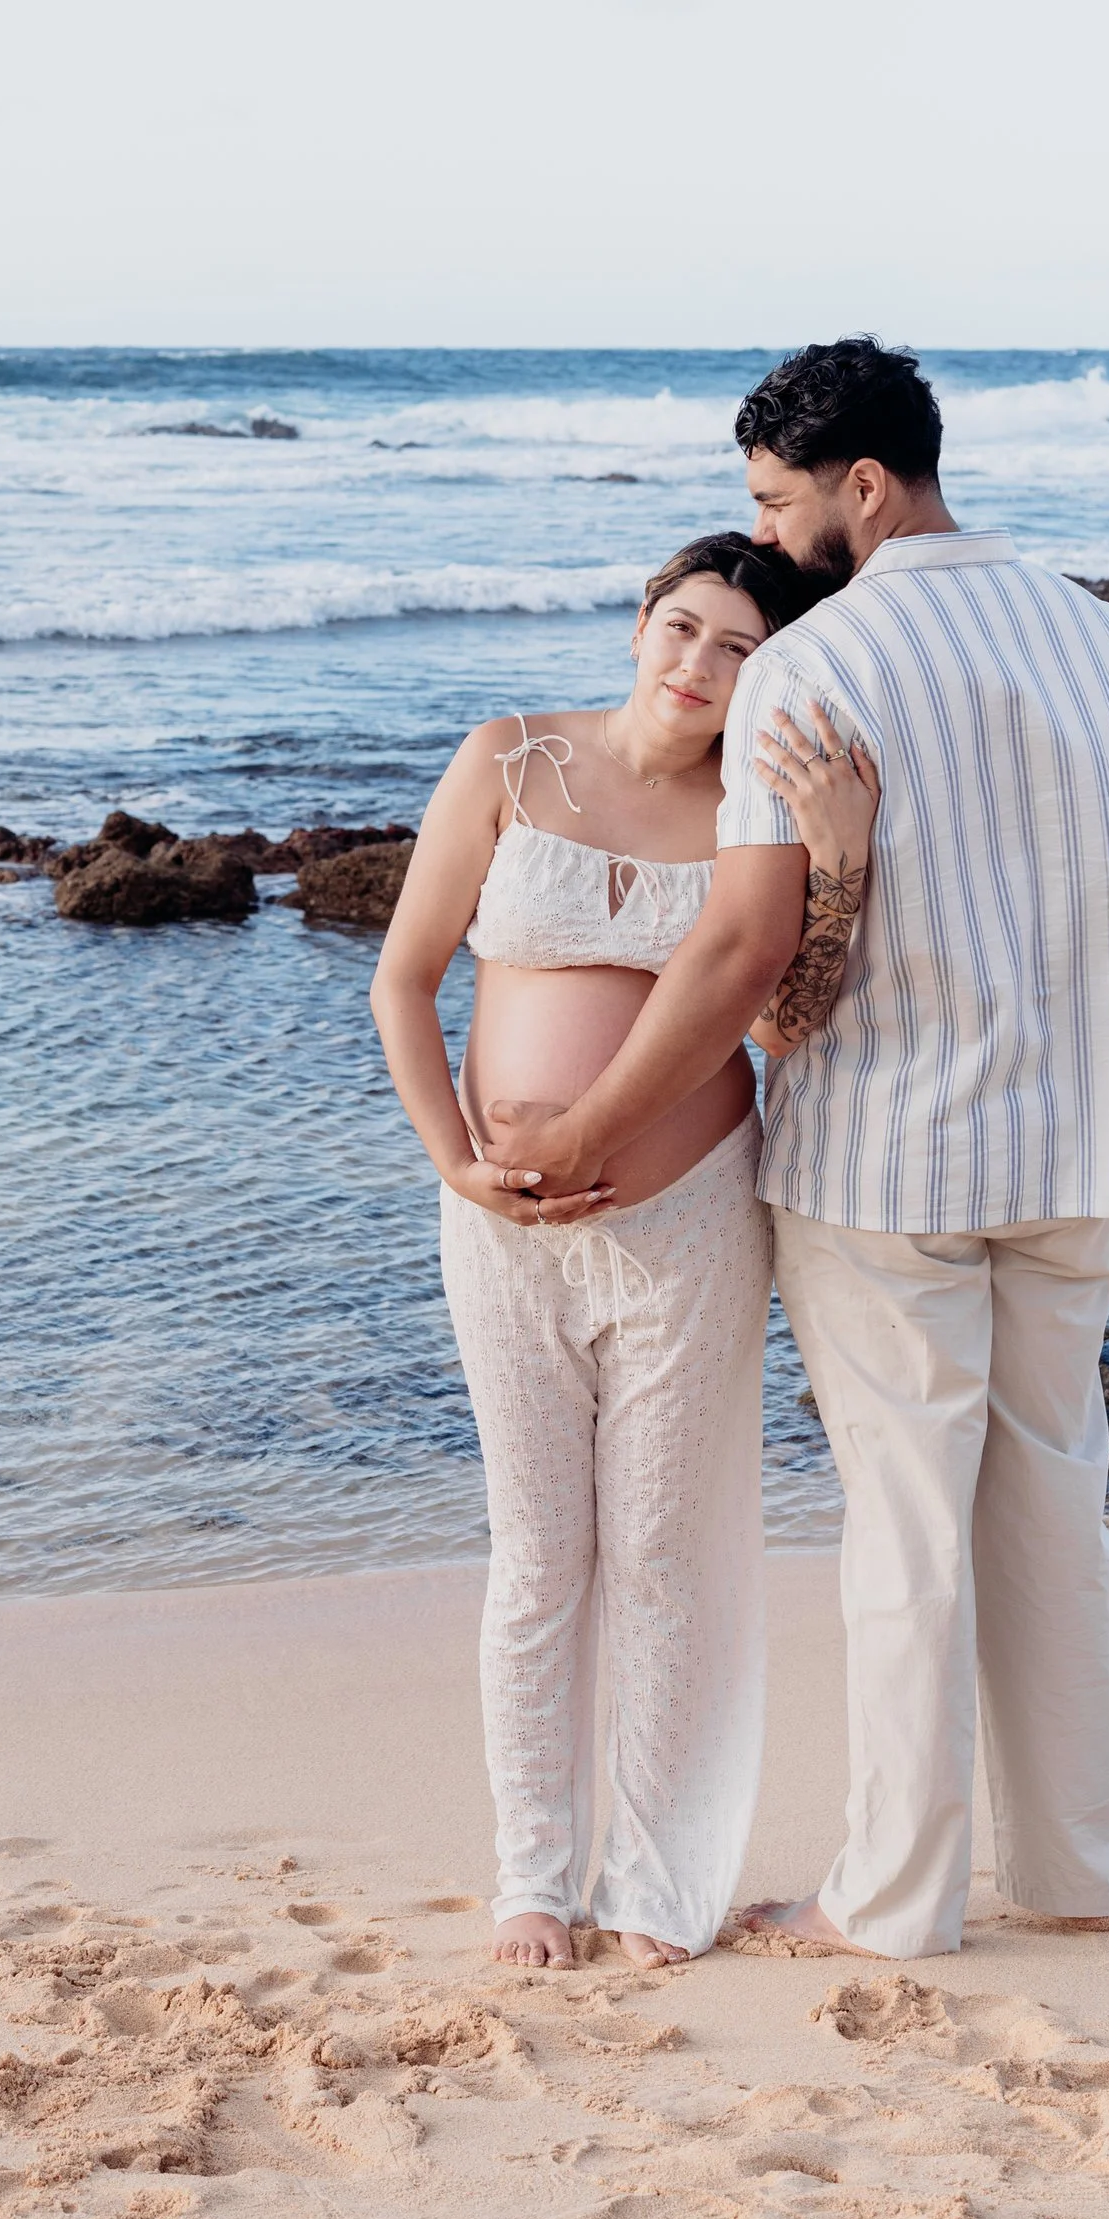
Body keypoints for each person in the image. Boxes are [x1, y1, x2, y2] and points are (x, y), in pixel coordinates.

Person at [480, 340, 1109, 1961]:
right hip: (1070, 1160)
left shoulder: (817, 671)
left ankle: (890, 1903)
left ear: (862, 488)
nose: (770, 529)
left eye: (776, 499)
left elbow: (741, 951)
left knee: (909, 1530)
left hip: (889, 1170)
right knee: (1052, 1505)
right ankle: (1080, 1869)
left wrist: (590, 1128)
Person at [372, 532, 879, 1972]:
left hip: (691, 1223)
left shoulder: (759, 806)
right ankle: (534, 1875)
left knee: (665, 1557)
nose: (696, 666)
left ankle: (657, 1884)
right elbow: (404, 981)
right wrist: (455, 1164)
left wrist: (837, 855)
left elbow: (787, 1024)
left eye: (734, 649)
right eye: (678, 627)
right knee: (538, 1559)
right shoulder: (509, 762)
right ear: (636, 626)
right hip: (503, 1233)